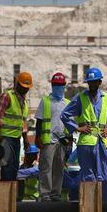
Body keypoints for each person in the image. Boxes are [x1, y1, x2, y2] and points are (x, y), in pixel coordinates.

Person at [61, 67, 107, 202]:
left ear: (99, 82)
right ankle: (89, 205)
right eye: (90, 82)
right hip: (86, 143)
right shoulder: (80, 98)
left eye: (94, 82)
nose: (92, 85)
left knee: (105, 175)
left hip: (101, 142)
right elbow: (65, 115)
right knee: (88, 176)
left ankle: (106, 204)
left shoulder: (106, 98)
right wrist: (77, 128)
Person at [36, 72, 71, 202]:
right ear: (52, 86)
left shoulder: (67, 103)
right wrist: (37, 137)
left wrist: (70, 140)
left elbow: (70, 123)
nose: (58, 87)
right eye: (56, 85)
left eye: (60, 85)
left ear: (64, 86)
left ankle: (56, 194)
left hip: (62, 141)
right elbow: (39, 121)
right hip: (48, 140)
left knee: (59, 168)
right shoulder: (45, 101)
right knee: (46, 168)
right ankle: (45, 194)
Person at [0, 72, 33, 181]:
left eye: (27, 88)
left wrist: (25, 139)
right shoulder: (7, 96)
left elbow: (23, 122)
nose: (25, 89)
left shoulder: (24, 103)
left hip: (16, 138)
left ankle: (12, 194)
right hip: (5, 138)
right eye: (23, 87)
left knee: (14, 167)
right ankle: (6, 195)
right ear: (17, 84)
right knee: (7, 166)